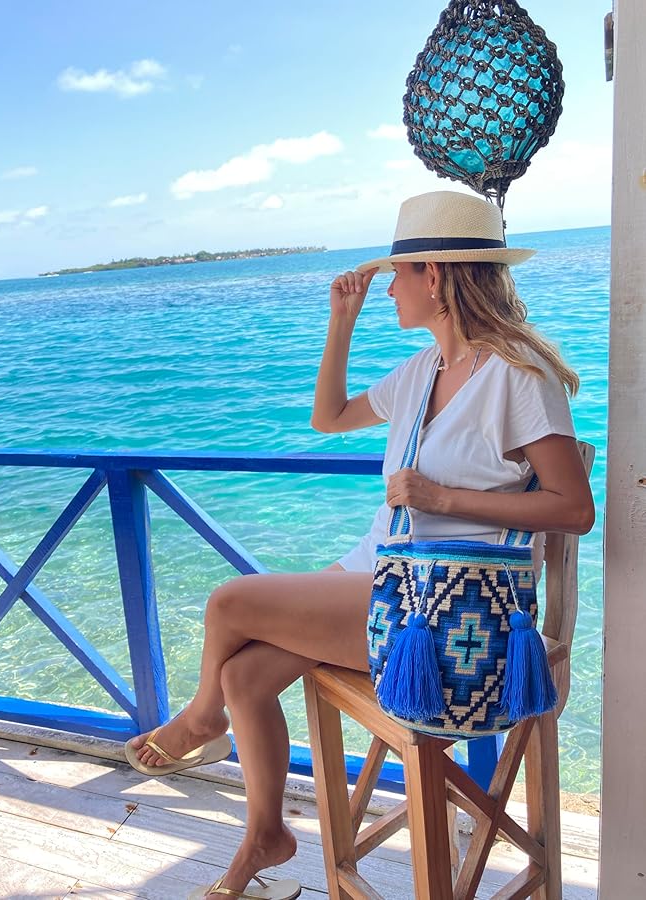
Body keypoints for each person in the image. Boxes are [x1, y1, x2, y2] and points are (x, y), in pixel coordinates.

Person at [125, 190, 595, 900]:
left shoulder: (516, 375)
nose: (387, 293)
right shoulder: (421, 372)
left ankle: (198, 720)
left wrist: (443, 500)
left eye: (394, 279)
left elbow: (572, 508)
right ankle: (265, 833)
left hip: (446, 611)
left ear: (432, 276)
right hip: (383, 579)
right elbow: (328, 418)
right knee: (246, 677)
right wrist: (338, 321)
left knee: (230, 602)